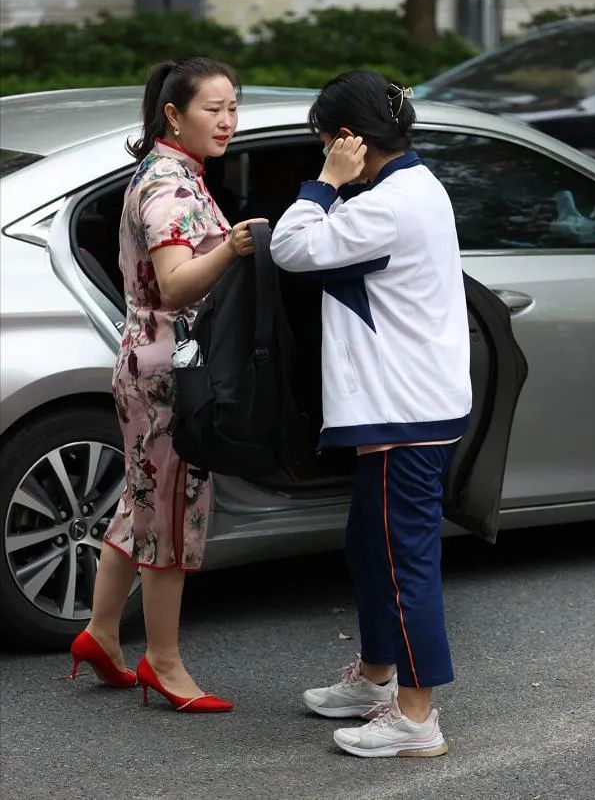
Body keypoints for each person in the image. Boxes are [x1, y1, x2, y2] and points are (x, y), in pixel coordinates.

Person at [270, 71, 471, 757]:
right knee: (372, 549)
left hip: (404, 413)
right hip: (413, 404)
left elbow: (292, 246)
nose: (321, 149)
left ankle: (415, 716)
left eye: (324, 139)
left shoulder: (386, 205)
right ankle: (377, 676)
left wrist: (322, 182)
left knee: (402, 562)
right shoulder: (411, 187)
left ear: (347, 139)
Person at [70, 57, 267, 713]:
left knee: (141, 499)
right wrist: (234, 247)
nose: (228, 121)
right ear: (174, 115)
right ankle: (165, 661)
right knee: (172, 515)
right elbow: (178, 281)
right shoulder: (170, 186)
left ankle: (101, 633)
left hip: (145, 361)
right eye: (214, 109)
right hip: (172, 374)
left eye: (232, 108)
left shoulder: (163, 171)